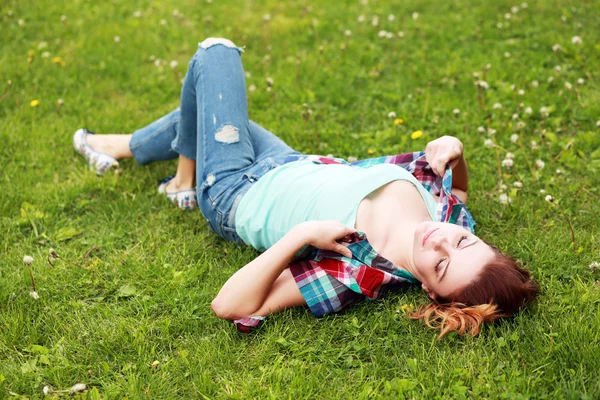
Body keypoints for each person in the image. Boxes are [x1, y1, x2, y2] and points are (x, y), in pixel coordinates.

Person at [73, 38, 539, 338]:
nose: (441, 240)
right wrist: (455, 150)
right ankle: (114, 147)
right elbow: (458, 192)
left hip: (234, 192)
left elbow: (228, 305)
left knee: (216, 55)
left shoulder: (360, 272)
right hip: (289, 160)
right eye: (463, 242)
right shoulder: (449, 217)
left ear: (431, 293)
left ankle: (184, 181)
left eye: (440, 264)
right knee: (211, 112)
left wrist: (298, 237)